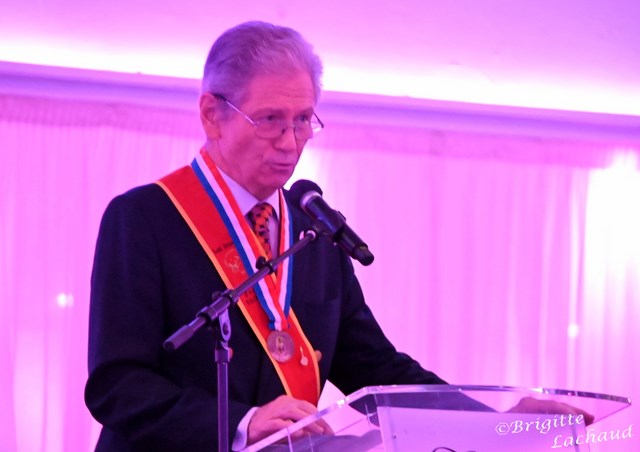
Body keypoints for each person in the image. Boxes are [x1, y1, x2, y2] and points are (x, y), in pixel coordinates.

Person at [85, 21, 591, 451]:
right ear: (211, 115)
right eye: (270, 120)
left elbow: (376, 368)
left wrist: (494, 420)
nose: (290, 143)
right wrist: (243, 424)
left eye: (304, 120)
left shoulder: (314, 232)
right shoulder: (145, 218)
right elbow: (117, 384)